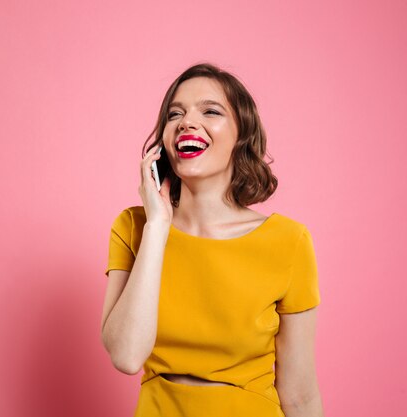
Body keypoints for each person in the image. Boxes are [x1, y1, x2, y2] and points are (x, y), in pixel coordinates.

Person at [101, 62, 324, 417]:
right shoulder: (134, 227)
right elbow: (126, 356)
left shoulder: (289, 241)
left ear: (242, 135)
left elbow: (299, 395)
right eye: (175, 114)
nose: (187, 122)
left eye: (210, 110)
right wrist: (157, 227)